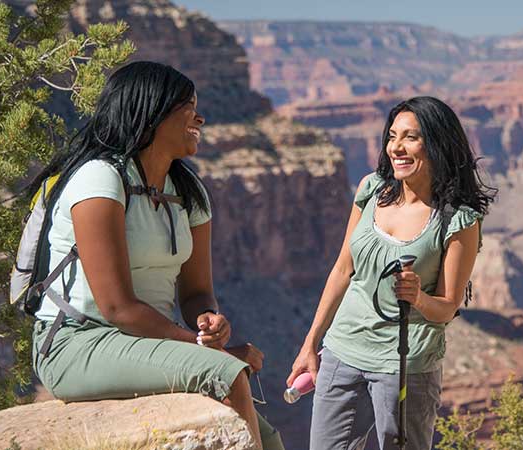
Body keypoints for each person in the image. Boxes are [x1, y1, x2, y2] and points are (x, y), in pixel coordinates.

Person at [28, 61, 282, 449]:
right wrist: (204, 350)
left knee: (267, 436)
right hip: (76, 343)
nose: (200, 116)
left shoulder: (186, 191)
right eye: (188, 106)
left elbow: (196, 291)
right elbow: (117, 307)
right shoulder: (100, 179)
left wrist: (207, 322)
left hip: (145, 344)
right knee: (225, 372)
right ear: (151, 113)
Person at [288, 96, 497, 449]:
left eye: (411, 138)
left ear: (436, 144)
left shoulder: (457, 220)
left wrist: (417, 296)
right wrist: (311, 343)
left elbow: (447, 307)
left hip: (404, 364)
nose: (396, 148)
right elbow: (343, 269)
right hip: (342, 350)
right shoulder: (372, 189)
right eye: (392, 136)